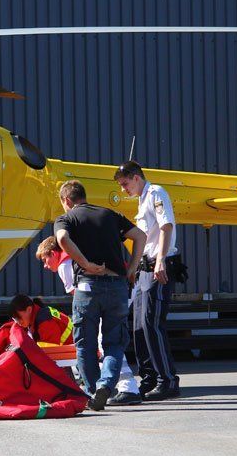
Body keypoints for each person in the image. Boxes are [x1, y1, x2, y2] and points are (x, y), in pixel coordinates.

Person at [54, 180, 146, 411]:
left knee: (85, 344)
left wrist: (85, 263)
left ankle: (94, 391)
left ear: (67, 200)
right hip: (117, 285)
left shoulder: (66, 219)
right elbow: (140, 236)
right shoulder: (110, 215)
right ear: (83, 196)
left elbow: (62, 238)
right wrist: (132, 268)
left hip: (87, 286)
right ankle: (105, 384)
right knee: (114, 342)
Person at [36, 237, 142, 405]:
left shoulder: (64, 265)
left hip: (116, 288)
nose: (45, 266)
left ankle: (126, 388)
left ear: (54, 253)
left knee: (104, 340)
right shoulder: (72, 256)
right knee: (111, 340)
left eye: (45, 260)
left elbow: (80, 300)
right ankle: (118, 385)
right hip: (120, 284)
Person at [115, 161, 183, 400]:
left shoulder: (156, 193)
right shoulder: (142, 199)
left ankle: (168, 381)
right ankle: (149, 379)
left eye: (125, 184)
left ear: (136, 177)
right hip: (145, 268)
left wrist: (161, 260)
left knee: (151, 323)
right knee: (138, 326)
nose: (123, 189)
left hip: (157, 266)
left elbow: (166, 226)